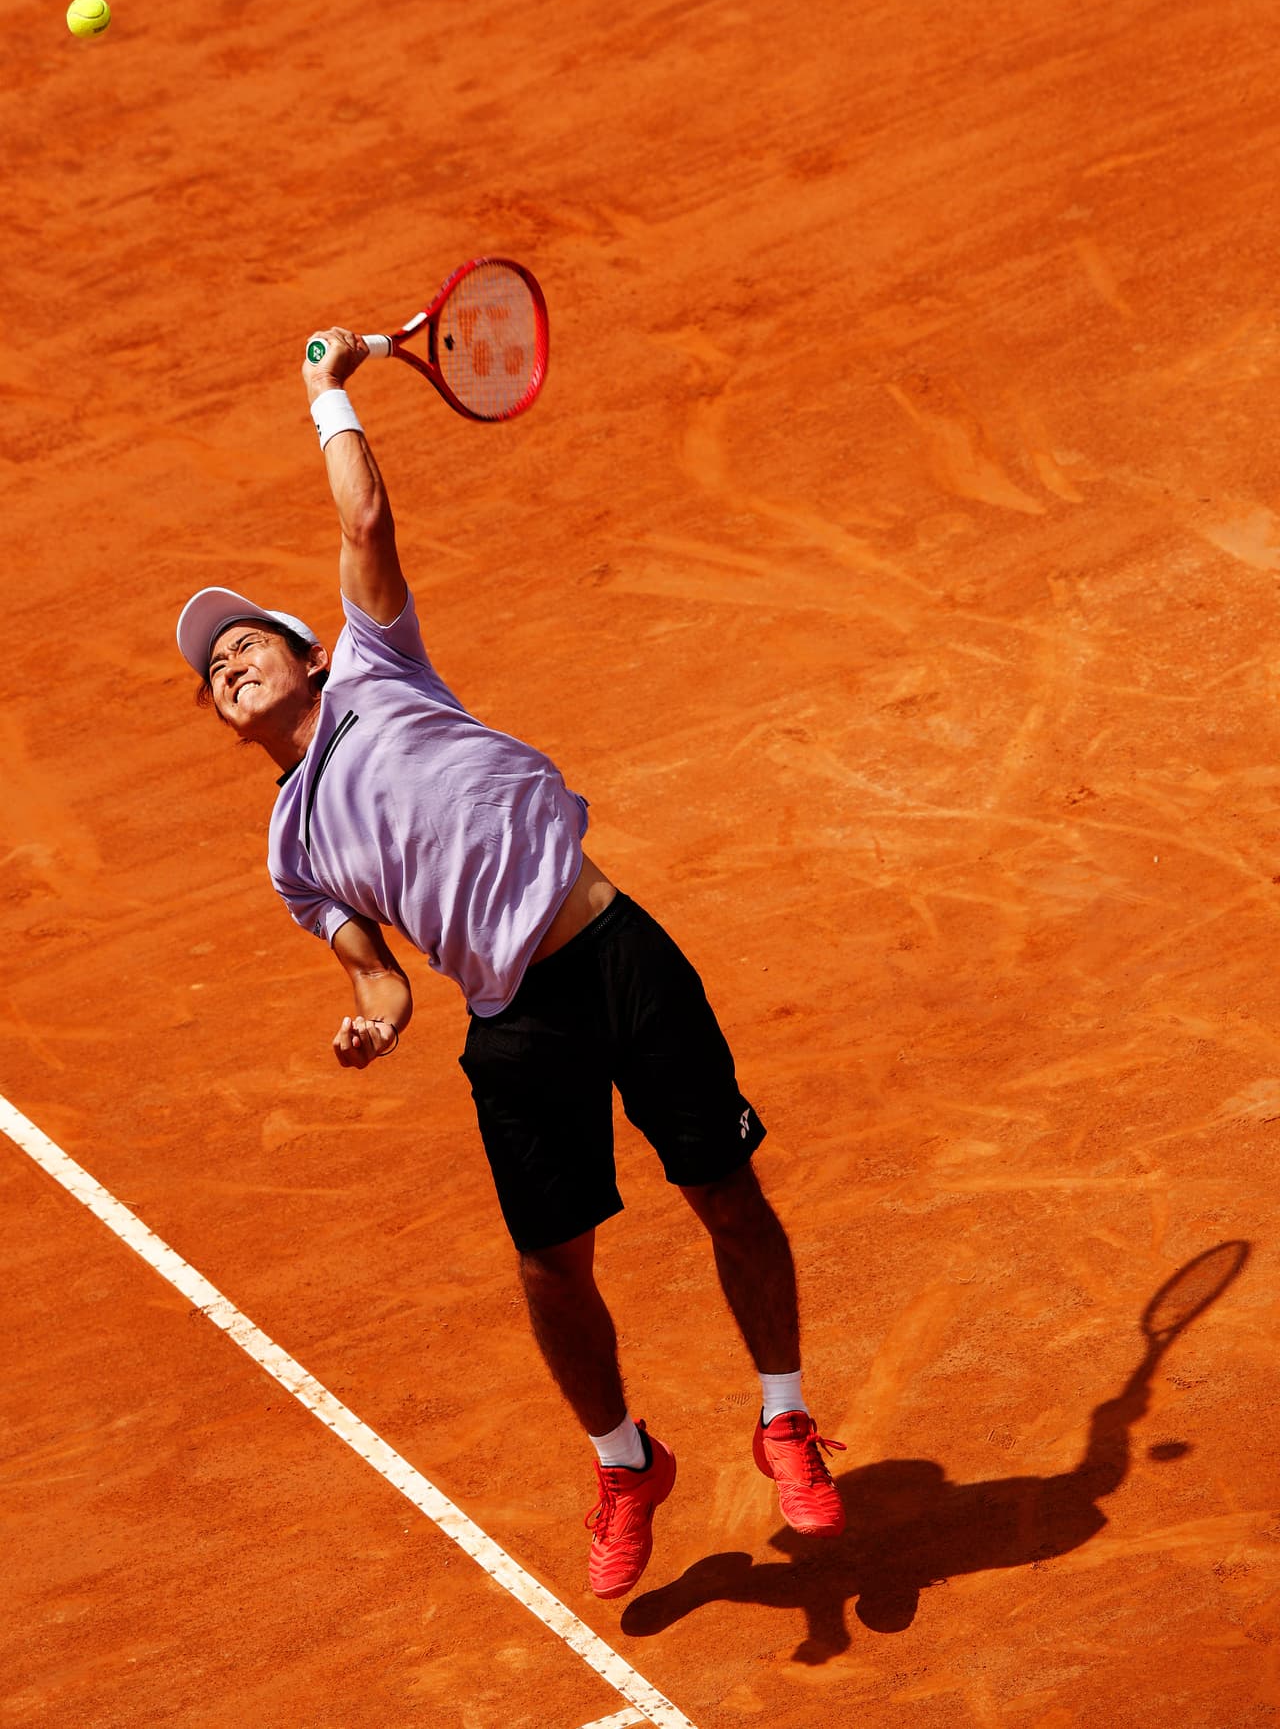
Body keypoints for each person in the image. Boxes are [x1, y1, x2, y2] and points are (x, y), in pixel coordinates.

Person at [175, 328, 845, 1600]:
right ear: (222, 719)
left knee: (722, 1187)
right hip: (514, 1022)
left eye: (245, 643)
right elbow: (376, 974)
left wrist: (326, 397)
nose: (229, 664)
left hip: (612, 949)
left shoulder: (377, 664)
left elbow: (364, 518)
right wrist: (375, 1020)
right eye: (213, 671)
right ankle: (624, 1464)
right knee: (550, 1264)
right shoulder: (291, 851)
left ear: (309, 655)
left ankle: (785, 1418)